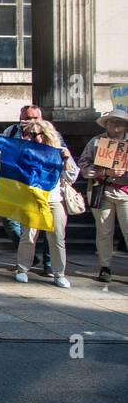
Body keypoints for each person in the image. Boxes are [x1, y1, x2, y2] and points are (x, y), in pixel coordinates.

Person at [15, 119, 77, 289]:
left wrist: (67, 160)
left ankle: (59, 273)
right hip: (31, 199)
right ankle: (22, 269)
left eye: (36, 134)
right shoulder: (25, 151)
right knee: (28, 236)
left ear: (46, 134)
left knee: (57, 237)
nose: (33, 138)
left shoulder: (60, 151)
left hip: (54, 199)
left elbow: (72, 177)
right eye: (29, 134)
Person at [2, 105, 59, 275]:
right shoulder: (11, 132)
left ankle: (48, 263)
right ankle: (28, 256)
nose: (30, 121)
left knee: (49, 227)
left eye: (34, 118)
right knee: (11, 223)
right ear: (20, 117)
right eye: (27, 117)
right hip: (17, 185)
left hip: (45, 190)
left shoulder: (50, 133)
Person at [79, 107, 128, 283]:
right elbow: (83, 165)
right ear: (106, 124)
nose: (115, 125)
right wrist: (105, 172)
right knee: (104, 230)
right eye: (112, 122)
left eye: (120, 122)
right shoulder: (96, 142)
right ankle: (105, 266)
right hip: (102, 190)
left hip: (125, 192)